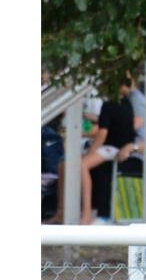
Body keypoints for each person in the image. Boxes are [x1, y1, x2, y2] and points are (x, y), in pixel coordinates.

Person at [48, 83, 134, 225]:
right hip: (115, 146)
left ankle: (87, 213)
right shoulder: (125, 103)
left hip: (113, 148)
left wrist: (90, 152)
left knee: (82, 165)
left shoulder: (108, 105)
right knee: (64, 164)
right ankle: (62, 212)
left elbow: (102, 134)